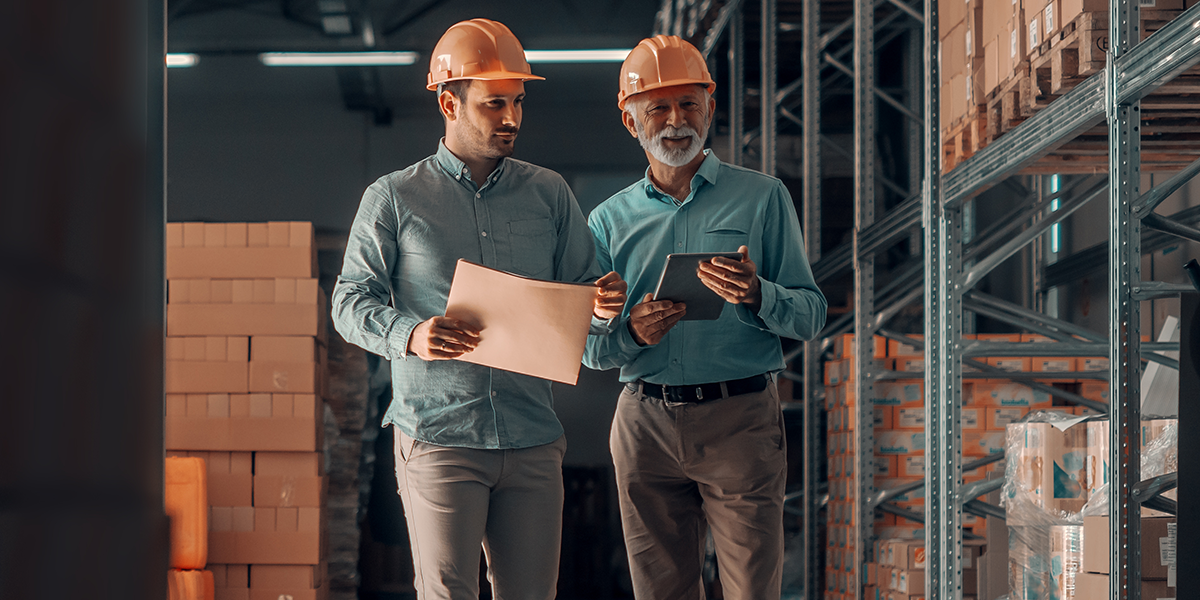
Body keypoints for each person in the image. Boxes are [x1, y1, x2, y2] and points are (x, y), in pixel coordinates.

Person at [332, 19, 627, 600]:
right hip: (440, 435)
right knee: (448, 593)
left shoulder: (550, 194)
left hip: (532, 437)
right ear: (449, 101)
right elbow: (348, 301)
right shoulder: (393, 197)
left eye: (518, 102)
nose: (512, 117)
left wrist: (603, 305)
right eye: (495, 104)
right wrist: (412, 334)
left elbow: (583, 291)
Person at [582, 35, 828, 600]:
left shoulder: (762, 198)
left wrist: (757, 293)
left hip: (739, 420)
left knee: (751, 589)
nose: (675, 120)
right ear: (630, 120)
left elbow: (811, 315)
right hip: (644, 423)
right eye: (658, 108)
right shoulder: (606, 222)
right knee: (661, 590)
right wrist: (629, 332)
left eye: (689, 104)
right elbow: (589, 348)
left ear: (710, 109)